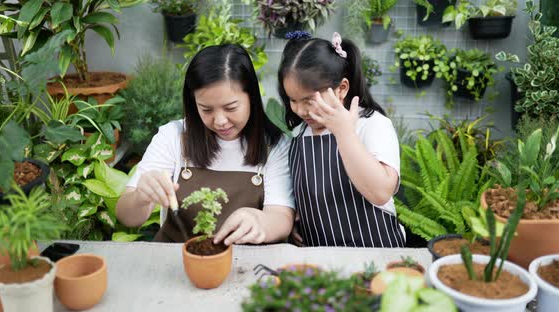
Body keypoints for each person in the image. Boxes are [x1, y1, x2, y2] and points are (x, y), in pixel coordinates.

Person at [117, 44, 295, 245]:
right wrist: (142, 196)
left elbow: (281, 218)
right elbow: (127, 216)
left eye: (230, 107)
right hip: (176, 257)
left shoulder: (274, 146)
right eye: (206, 109)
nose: (219, 121)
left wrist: (259, 222)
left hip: (244, 261)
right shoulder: (173, 137)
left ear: (252, 98)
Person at [278, 31, 405, 248]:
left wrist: (344, 133)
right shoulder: (298, 135)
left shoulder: (371, 124)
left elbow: (381, 192)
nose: (300, 110)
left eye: (309, 99)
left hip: (377, 253)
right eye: (293, 100)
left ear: (342, 88)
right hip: (321, 260)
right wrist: (294, 221)